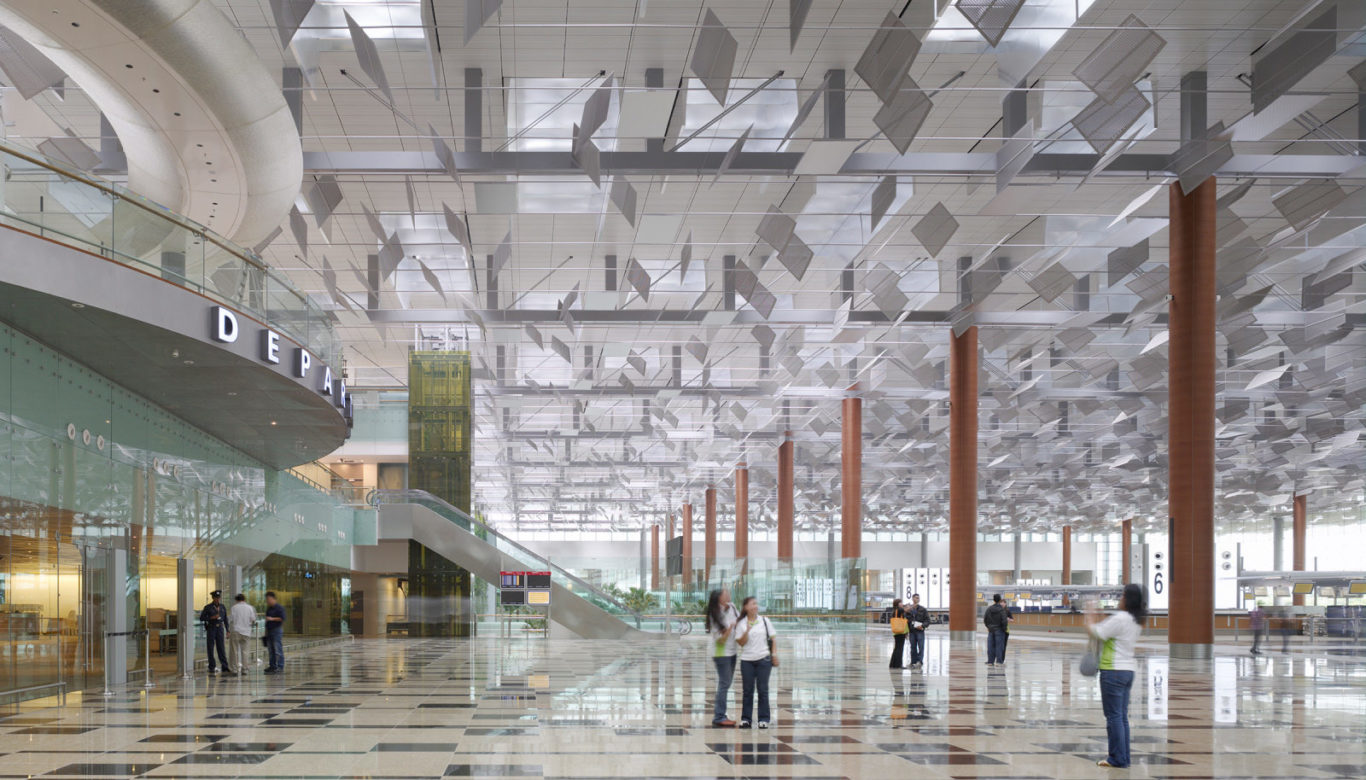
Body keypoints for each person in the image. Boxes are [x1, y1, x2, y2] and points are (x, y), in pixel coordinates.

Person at [1086, 584, 1145, 769]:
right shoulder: (1136, 620)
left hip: (1113, 671)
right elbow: (1109, 631)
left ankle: (1116, 759)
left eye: (1122, 596)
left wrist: (1088, 614)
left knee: (1113, 717)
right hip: (1128, 671)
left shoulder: (1120, 618)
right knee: (1121, 717)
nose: (1120, 599)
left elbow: (1097, 632)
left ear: (1128, 598)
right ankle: (1123, 757)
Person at [736, 597, 778, 729]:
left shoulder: (765, 621)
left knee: (763, 689)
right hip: (747, 660)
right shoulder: (741, 623)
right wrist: (747, 630)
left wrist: (774, 655)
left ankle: (763, 718)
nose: (755, 606)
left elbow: (773, 638)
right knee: (747, 691)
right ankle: (746, 719)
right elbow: (741, 643)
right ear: (746, 607)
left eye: (756, 604)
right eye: (752, 604)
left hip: (763, 660)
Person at [704, 589, 740, 726]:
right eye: (725, 593)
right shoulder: (715, 614)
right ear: (719, 598)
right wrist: (731, 627)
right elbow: (720, 640)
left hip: (732, 650)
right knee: (724, 683)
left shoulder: (732, 607)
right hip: (720, 652)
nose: (728, 594)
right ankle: (719, 716)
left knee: (726, 682)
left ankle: (720, 714)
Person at [199, 590, 229, 675]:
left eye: (219, 598)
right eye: (216, 598)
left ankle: (225, 666)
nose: (217, 599)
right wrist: (211, 617)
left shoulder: (222, 607)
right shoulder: (208, 607)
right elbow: (202, 618)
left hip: (220, 629)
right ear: (213, 598)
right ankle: (212, 666)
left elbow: (225, 619)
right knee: (210, 648)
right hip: (211, 628)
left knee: (221, 648)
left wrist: (228, 630)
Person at [227, 593, 257, 676]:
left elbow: (230, 619)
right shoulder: (250, 608)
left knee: (234, 651)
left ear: (236, 600)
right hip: (246, 632)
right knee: (245, 651)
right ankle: (245, 669)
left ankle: (234, 669)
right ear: (244, 599)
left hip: (236, 631)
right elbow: (253, 619)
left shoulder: (234, 608)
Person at [906, 593, 930, 669]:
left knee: (921, 646)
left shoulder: (923, 609)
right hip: (912, 631)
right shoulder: (909, 610)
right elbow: (906, 620)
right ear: (912, 599)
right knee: (913, 647)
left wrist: (922, 626)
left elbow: (927, 620)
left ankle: (919, 661)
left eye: (918, 598)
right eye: (916, 598)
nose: (917, 599)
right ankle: (913, 662)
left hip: (920, 631)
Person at [263, 592, 285, 674]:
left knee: (277, 649)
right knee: (271, 650)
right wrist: (265, 633)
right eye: (267, 599)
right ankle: (272, 666)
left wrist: (272, 619)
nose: (267, 601)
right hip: (269, 631)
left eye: (268, 599)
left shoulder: (279, 608)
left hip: (276, 630)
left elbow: (282, 618)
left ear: (273, 599)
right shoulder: (269, 609)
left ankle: (280, 666)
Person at [983, 594, 1008, 665]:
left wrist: (989, 627)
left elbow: (985, 619)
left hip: (991, 630)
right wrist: (1004, 629)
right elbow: (1004, 621)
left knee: (990, 646)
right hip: (999, 630)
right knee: (999, 646)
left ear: (993, 600)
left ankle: (990, 661)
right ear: (1000, 600)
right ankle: (999, 661)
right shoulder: (1001, 610)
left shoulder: (989, 609)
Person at [888, 598, 907, 669]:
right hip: (900, 631)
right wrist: (911, 606)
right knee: (900, 648)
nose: (902, 604)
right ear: (897, 604)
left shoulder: (894, 611)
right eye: (900, 602)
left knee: (897, 648)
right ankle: (898, 664)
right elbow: (906, 610)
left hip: (896, 631)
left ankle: (893, 664)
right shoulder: (899, 610)